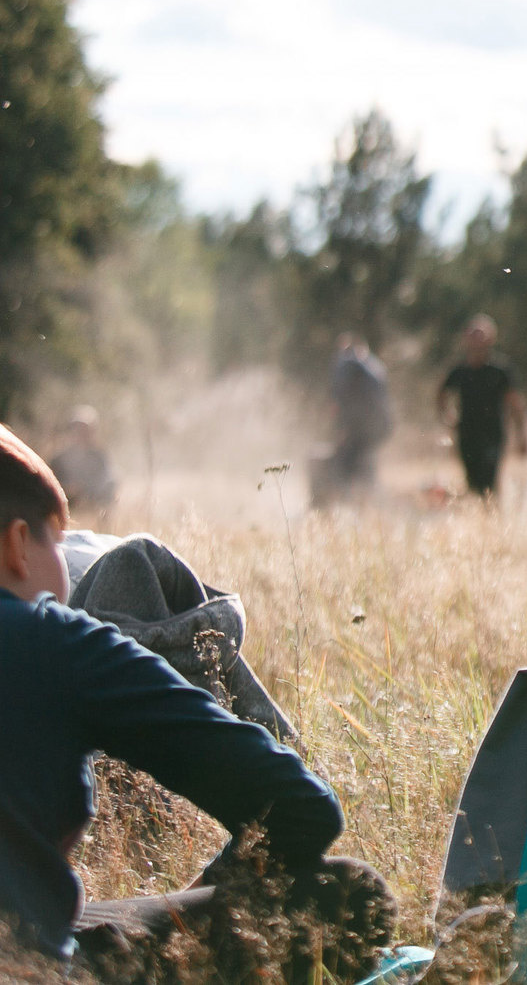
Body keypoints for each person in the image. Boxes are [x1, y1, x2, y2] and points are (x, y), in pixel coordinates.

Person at [0, 426, 393, 975]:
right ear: (17, 544)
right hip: (27, 964)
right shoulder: (54, 642)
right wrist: (201, 899)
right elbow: (298, 808)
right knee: (346, 893)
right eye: (59, 541)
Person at [437, 316, 527, 500]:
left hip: (492, 434)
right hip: (467, 434)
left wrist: (522, 435)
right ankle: (479, 513)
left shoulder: (500, 371)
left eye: (481, 336)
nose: (477, 341)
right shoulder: (459, 371)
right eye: (474, 336)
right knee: (472, 482)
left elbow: (515, 403)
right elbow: (441, 395)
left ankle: (491, 513)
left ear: (491, 339)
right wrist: (448, 419)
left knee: (488, 480)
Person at [314, 334, 391, 508]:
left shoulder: (347, 363)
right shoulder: (374, 364)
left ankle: (344, 503)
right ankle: (371, 503)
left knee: (347, 461)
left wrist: (342, 425)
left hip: (358, 425)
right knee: (365, 460)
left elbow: (341, 396)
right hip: (380, 425)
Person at [44, 409, 115, 518]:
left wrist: (87, 491)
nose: (81, 434)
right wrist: (67, 488)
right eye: (77, 429)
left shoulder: (99, 457)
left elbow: (106, 480)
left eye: (85, 430)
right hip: (67, 507)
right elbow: (48, 483)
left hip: (93, 505)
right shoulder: (58, 458)